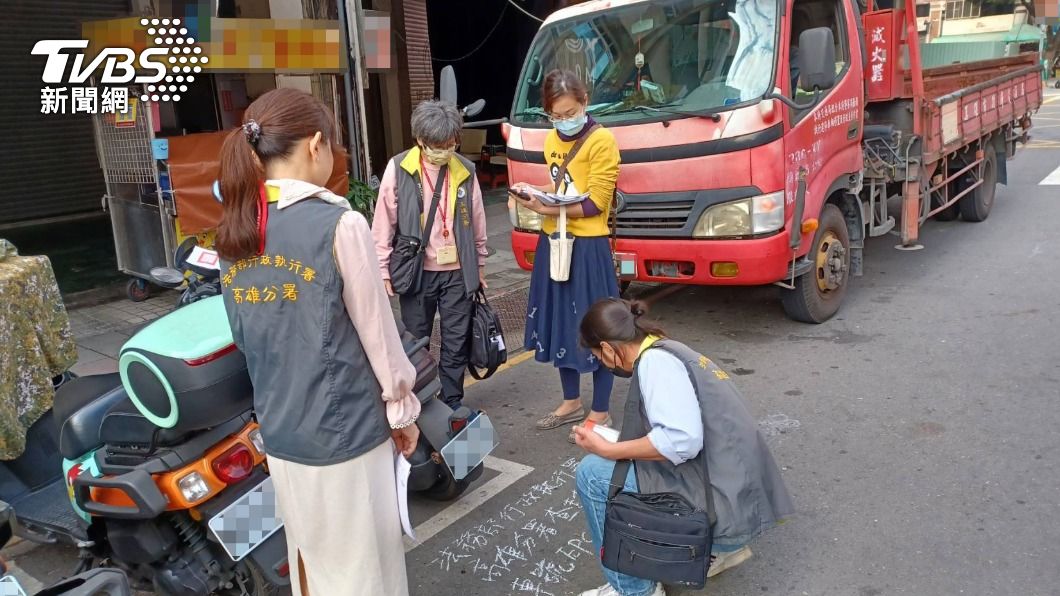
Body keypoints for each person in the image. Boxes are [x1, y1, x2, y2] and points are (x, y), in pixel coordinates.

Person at [215, 88, 419, 596]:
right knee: (364, 571)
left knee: (312, 563)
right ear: (315, 144)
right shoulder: (340, 223)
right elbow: (379, 334)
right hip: (346, 430)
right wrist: (403, 409)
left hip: (282, 433)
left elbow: (244, 335)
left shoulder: (236, 230)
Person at [572, 298, 794, 596]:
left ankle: (633, 589)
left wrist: (608, 450)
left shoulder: (655, 364)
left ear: (609, 348)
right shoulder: (667, 348)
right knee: (623, 459)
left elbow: (682, 441)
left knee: (592, 473)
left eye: (598, 355)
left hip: (722, 500)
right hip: (735, 489)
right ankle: (719, 550)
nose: (600, 361)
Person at [510, 69, 621, 442]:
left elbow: (595, 203)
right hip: (554, 243)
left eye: (569, 112)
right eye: (555, 116)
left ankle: (600, 410)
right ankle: (571, 400)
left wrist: (545, 209)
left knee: (598, 326)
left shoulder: (602, 141)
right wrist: (534, 192)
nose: (563, 121)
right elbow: (562, 187)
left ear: (584, 102)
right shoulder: (551, 141)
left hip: (588, 247)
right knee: (560, 323)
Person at [373, 100, 488, 409]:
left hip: (457, 272)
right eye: (436, 145)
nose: (443, 151)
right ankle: (419, 404)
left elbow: (477, 221)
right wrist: (383, 270)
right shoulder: (400, 168)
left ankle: (451, 403)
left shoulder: (465, 170)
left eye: (449, 144)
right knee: (415, 340)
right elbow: (383, 223)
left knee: (456, 340)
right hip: (416, 271)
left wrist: (478, 265)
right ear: (420, 140)